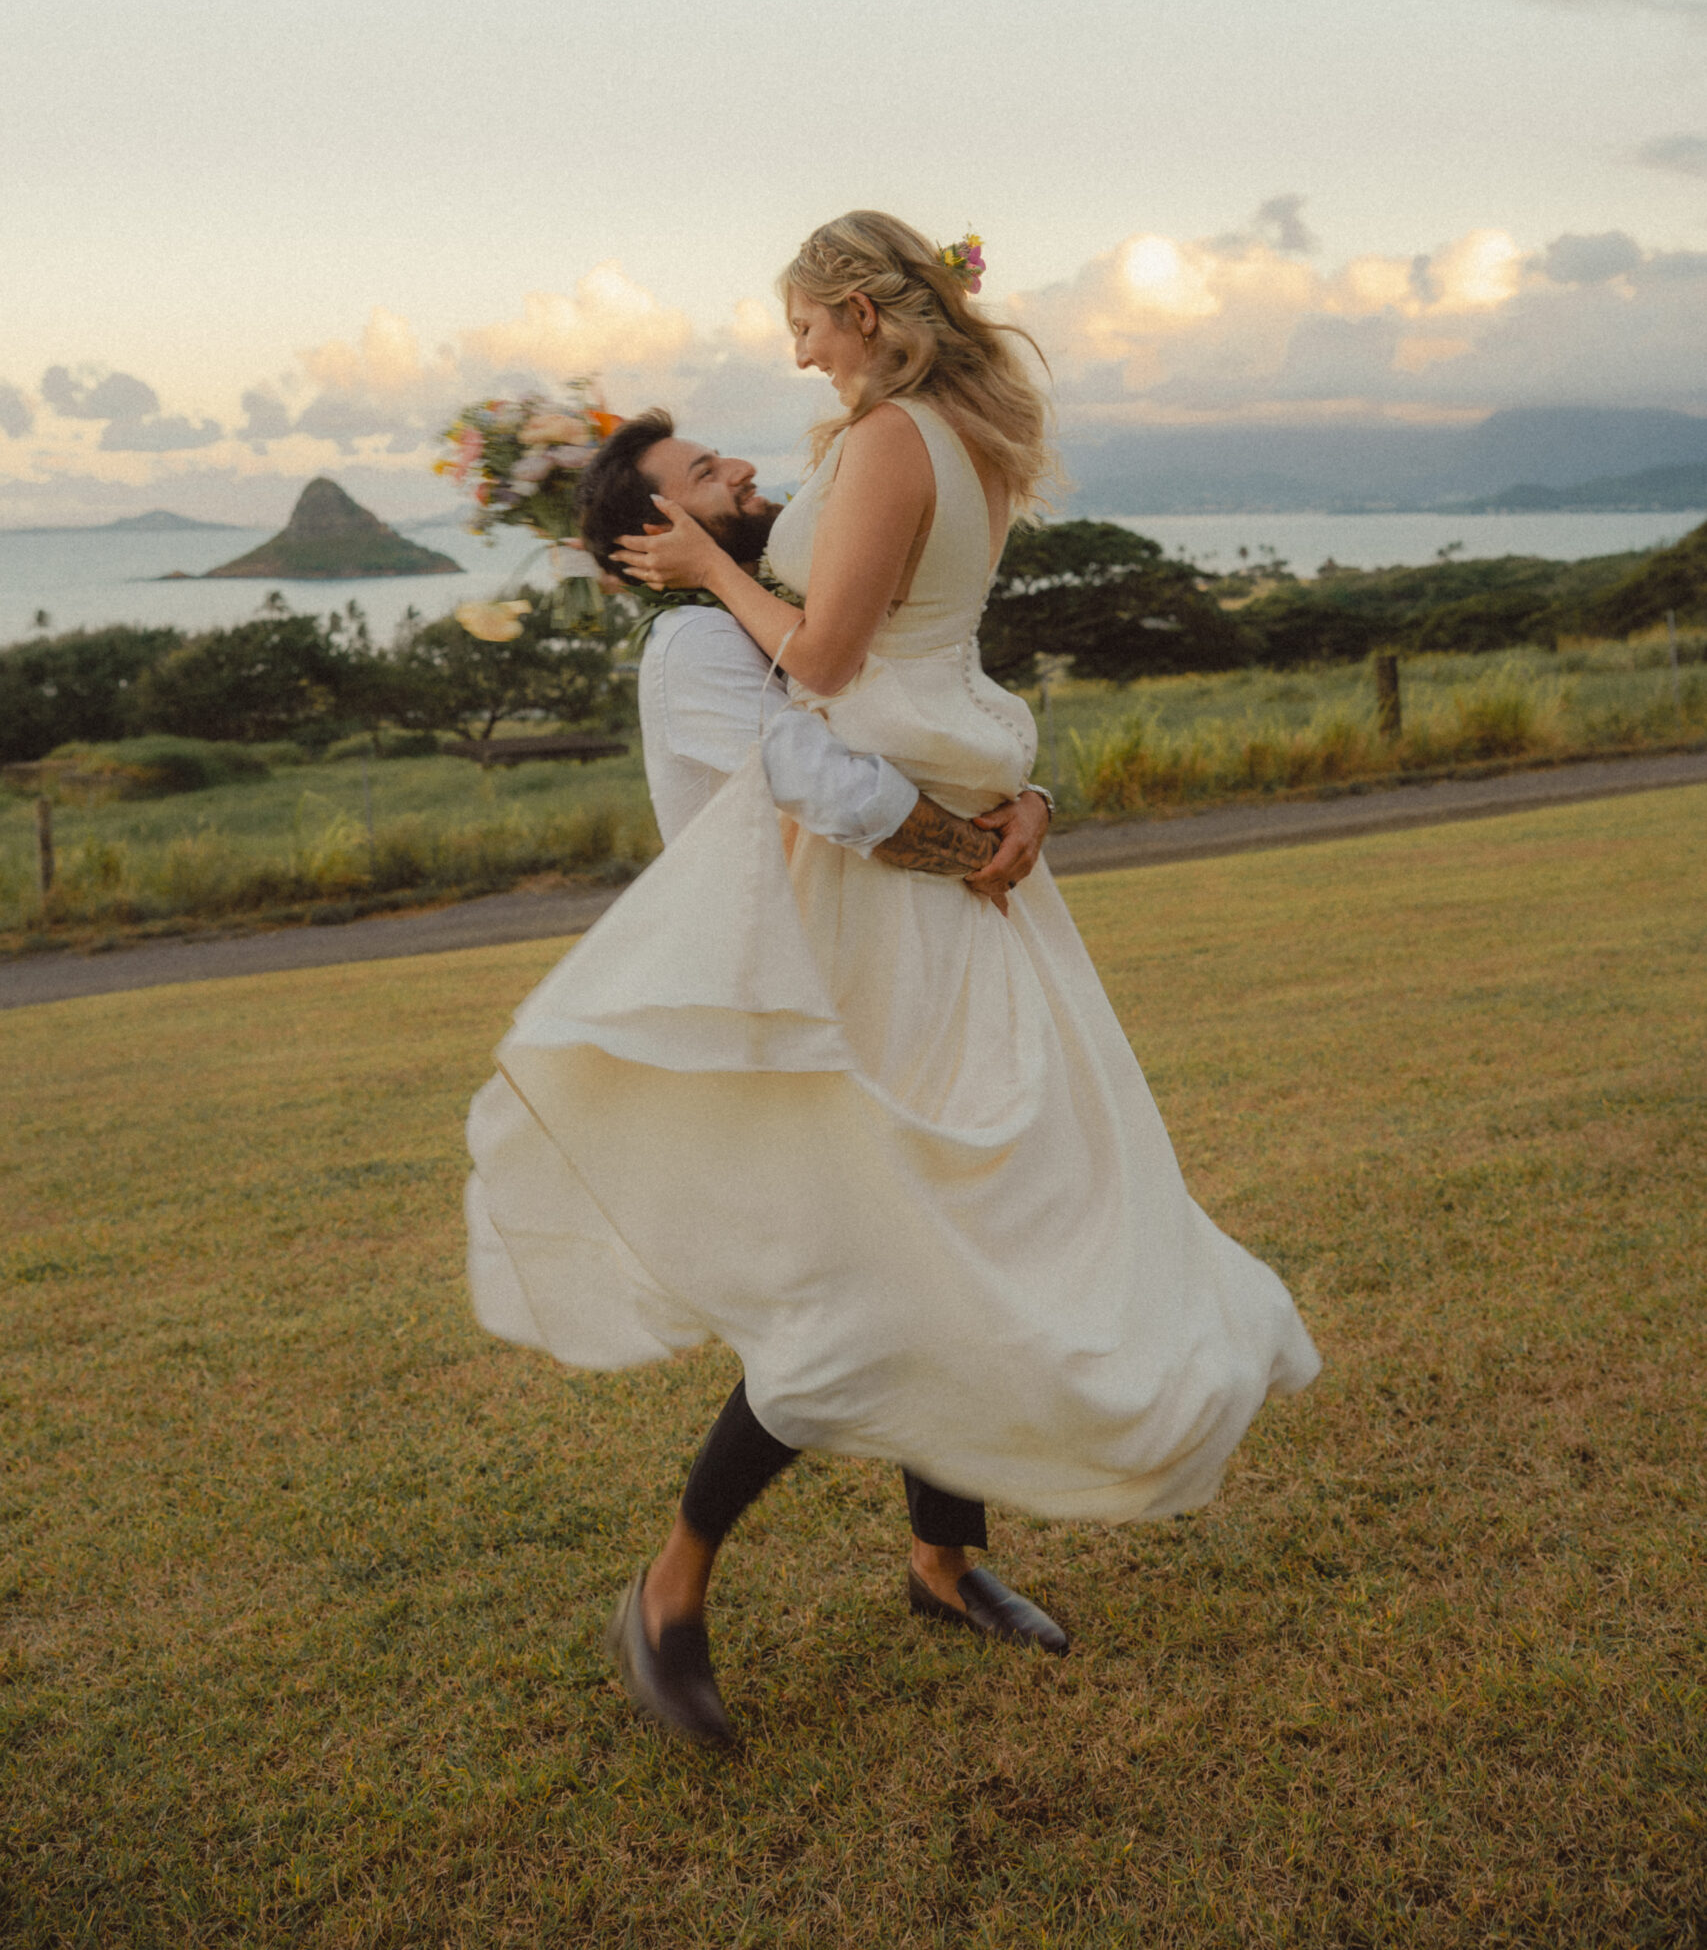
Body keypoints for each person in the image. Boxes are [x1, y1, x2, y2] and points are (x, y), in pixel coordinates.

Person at [464, 210, 1320, 1751]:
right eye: (701, 483)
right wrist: (975, 830)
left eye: (800, 325)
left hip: (929, 924)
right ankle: (675, 1590)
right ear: (645, 542)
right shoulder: (714, 624)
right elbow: (817, 773)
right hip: (834, 955)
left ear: (859, 310)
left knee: (954, 1232)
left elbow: (916, 683)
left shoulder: (878, 465)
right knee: (864, 1274)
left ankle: (940, 1558)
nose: (778, 383)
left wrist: (1021, 805)